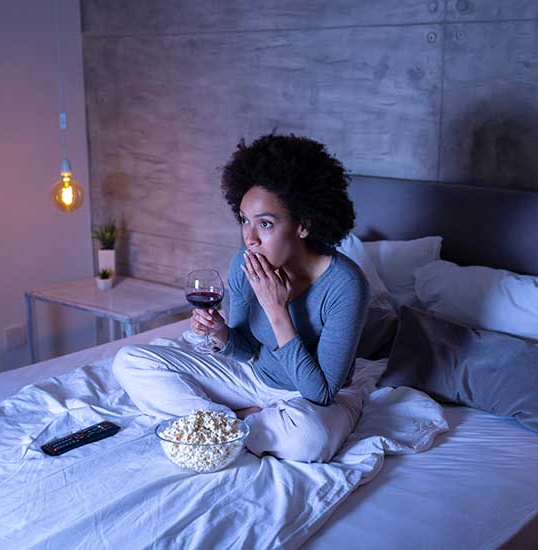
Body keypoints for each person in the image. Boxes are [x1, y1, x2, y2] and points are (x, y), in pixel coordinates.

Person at [111, 133, 370, 463]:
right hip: (254, 380)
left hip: (315, 399)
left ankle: (223, 423)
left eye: (265, 224)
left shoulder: (346, 286)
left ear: (303, 225)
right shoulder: (245, 264)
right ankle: (235, 421)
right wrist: (220, 333)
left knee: (308, 440)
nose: (250, 238)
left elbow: (320, 392)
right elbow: (246, 350)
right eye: (244, 220)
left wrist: (277, 310)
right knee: (130, 361)